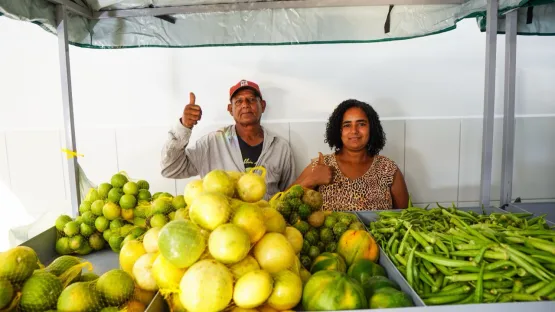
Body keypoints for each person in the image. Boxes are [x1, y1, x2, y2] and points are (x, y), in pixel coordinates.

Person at [160, 80, 296, 200]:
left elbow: (287, 196)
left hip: (265, 225)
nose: (245, 105)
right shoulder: (211, 143)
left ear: (263, 106)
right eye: (238, 101)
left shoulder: (280, 148)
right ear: (230, 109)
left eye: (251, 100)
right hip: (222, 226)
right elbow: (170, 169)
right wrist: (184, 126)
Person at [292, 99, 409, 211]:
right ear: (338, 131)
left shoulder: (388, 168)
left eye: (361, 124)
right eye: (347, 125)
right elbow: (281, 203)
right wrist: (311, 180)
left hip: (375, 232)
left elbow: (403, 216)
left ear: (371, 128)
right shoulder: (321, 165)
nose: (354, 131)